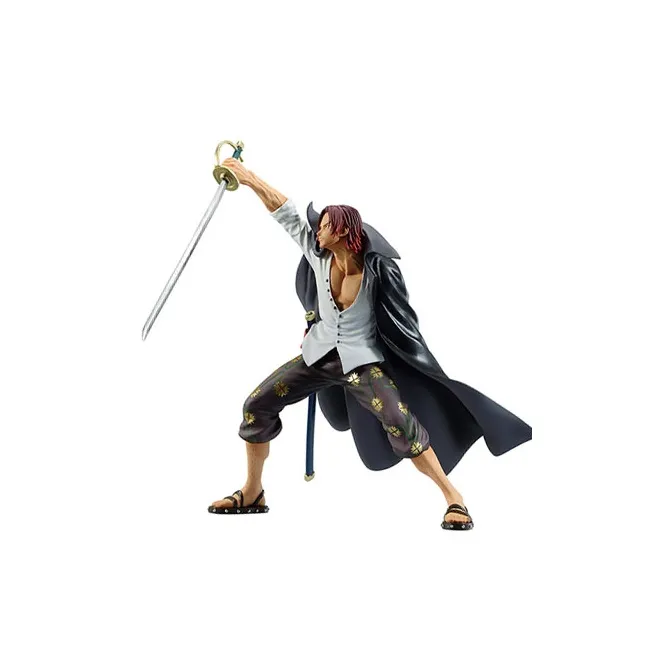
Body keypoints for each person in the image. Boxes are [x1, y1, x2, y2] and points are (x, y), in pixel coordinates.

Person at [208, 158, 532, 530]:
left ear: (343, 231)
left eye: (325, 226)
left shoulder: (378, 271)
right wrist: (248, 178)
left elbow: (402, 321)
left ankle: (453, 497)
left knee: (401, 423)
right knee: (256, 405)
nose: (317, 231)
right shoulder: (319, 255)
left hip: (361, 365)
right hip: (317, 357)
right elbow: (286, 212)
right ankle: (253, 492)